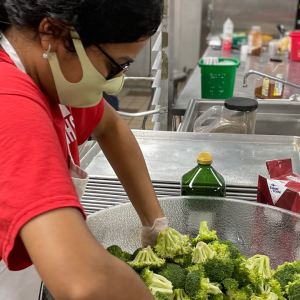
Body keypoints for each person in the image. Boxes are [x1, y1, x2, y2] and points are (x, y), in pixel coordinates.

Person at [0, 0, 168, 299]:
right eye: (114, 65)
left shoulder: (50, 77)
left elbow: (110, 126)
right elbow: (86, 284)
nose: (116, 81)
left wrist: (156, 226)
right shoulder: (10, 102)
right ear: (52, 32)